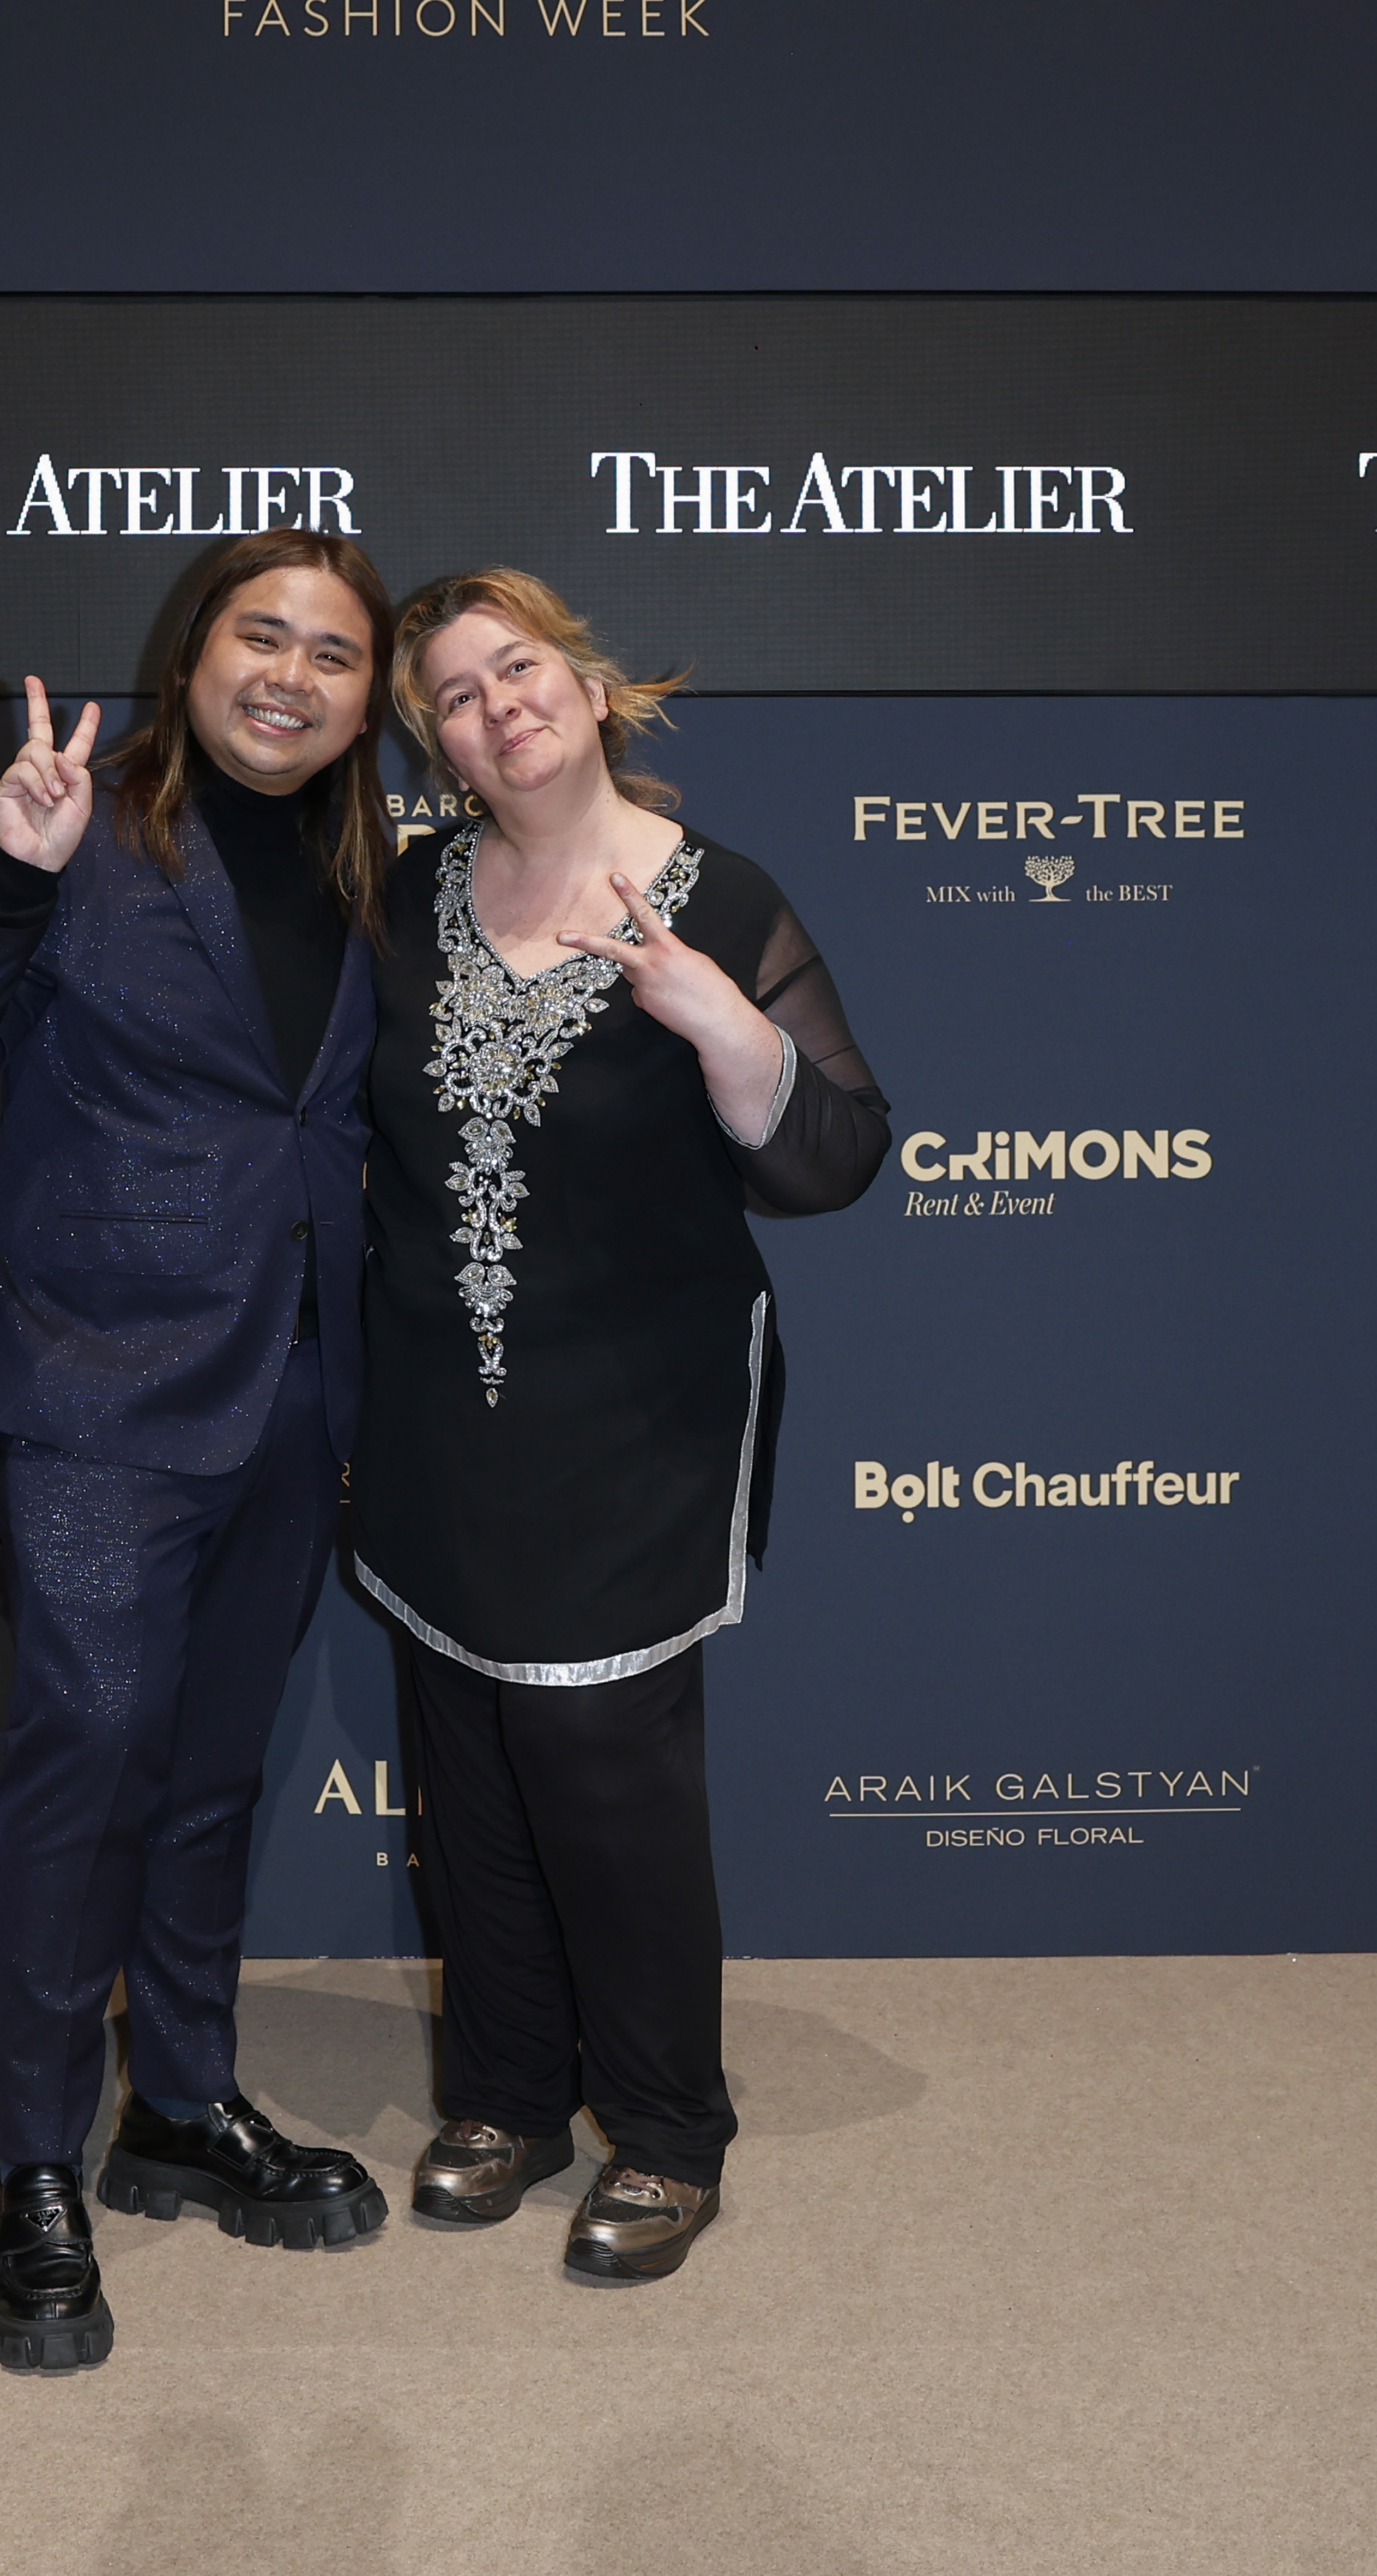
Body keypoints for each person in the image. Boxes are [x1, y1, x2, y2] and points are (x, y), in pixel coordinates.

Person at [0, 530, 396, 2372]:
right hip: (96, 1382)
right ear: (194, 654)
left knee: (215, 1766)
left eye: (334, 652)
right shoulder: (78, 831)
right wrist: (9, 882)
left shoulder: (378, 872)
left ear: (368, 701)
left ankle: (179, 2099)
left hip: (299, 1384)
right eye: (264, 633)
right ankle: (38, 2162)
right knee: (86, 1753)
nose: (292, 674)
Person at [352, 569, 890, 2283]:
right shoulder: (406, 894)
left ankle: (666, 2131)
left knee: (605, 1775)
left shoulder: (721, 896)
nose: (496, 707)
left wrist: (725, 1026)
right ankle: (507, 2096)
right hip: (439, 1409)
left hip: (640, 1414)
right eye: (452, 696)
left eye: (519, 669)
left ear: (590, 688)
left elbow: (836, 1160)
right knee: (468, 1759)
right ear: (435, 747)